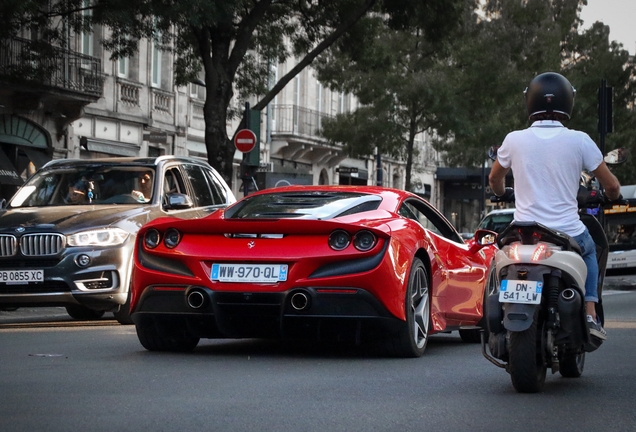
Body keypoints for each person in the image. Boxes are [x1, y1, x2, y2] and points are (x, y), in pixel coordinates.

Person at [489, 71, 621, 340]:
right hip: (568, 232)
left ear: (531, 101)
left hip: (524, 232)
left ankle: (497, 305)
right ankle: (590, 313)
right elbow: (613, 186)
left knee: (498, 257)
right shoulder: (580, 140)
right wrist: (611, 197)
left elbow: (494, 178)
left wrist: (502, 193)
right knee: (590, 253)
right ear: (567, 102)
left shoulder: (514, 139)